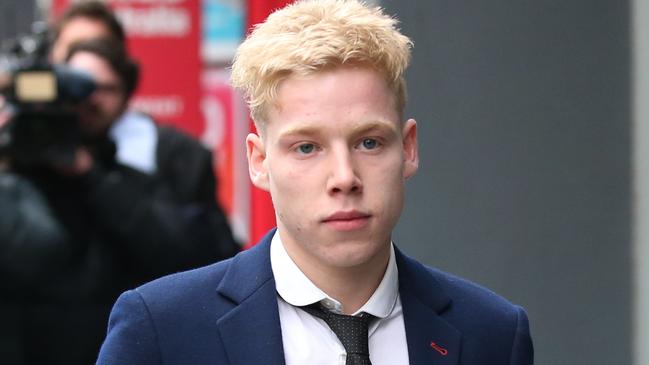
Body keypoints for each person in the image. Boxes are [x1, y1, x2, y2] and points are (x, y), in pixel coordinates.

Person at [97, 1, 534, 364]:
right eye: (307, 147)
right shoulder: (162, 331)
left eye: (368, 142)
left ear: (409, 148)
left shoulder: (491, 334)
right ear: (259, 161)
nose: (344, 178)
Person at [0, 37, 239, 365]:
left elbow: (190, 253)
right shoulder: (13, 176)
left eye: (104, 90)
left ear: (127, 93)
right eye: (82, 90)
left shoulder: (142, 170)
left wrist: (88, 174)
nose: (91, 103)